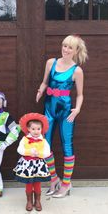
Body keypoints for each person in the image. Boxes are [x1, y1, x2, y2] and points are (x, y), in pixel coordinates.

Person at [35, 34, 88, 198]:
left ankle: (66, 184)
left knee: (67, 145)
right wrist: (40, 90)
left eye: (70, 47)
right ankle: (53, 179)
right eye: (64, 45)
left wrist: (77, 109)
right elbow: (45, 81)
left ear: (76, 50)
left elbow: (80, 94)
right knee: (45, 145)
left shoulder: (77, 71)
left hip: (66, 112)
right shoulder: (51, 63)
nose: (66, 49)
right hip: (49, 109)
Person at [13, 113, 51, 211]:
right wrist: (29, 152)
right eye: (33, 129)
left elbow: (47, 152)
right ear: (28, 129)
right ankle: (29, 201)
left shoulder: (43, 141)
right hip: (27, 165)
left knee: (37, 183)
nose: (36, 131)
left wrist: (39, 153)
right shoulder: (25, 139)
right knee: (29, 183)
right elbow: (19, 150)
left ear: (41, 129)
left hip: (38, 165)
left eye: (38, 129)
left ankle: (37, 201)